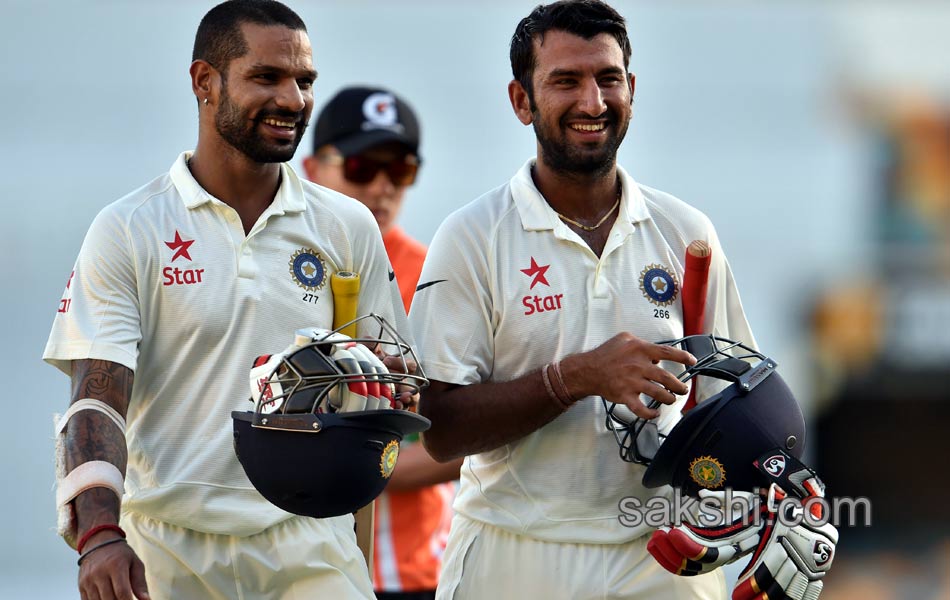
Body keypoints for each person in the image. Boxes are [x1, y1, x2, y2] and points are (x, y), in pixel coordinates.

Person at [43, 2, 413, 599]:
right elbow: (95, 402)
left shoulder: (348, 226)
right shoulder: (131, 227)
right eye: (267, 77)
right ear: (204, 82)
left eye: (304, 81)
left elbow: (371, 420)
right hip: (167, 547)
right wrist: (100, 535)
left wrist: (357, 565)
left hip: (308, 542)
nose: (293, 99)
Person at [408, 1, 756, 599]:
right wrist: (575, 378)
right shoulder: (472, 237)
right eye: (565, 81)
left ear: (632, 89)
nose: (593, 103)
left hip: (658, 557)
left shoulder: (685, 232)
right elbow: (440, 429)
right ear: (522, 101)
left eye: (608, 78)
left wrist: (779, 499)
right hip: (514, 549)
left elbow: (738, 402)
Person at [303, 86, 463, 600]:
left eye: (401, 171)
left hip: (416, 574)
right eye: (361, 166)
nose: (381, 187)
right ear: (311, 167)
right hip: (293, 566)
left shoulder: (437, 275)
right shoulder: (279, 271)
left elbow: (469, 439)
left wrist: (346, 467)